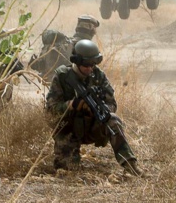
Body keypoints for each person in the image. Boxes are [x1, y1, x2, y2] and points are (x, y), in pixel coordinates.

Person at [45, 39, 140, 175]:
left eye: (93, 64)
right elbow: (50, 110)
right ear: (77, 61)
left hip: (91, 127)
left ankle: (131, 165)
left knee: (113, 119)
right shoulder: (63, 76)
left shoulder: (98, 76)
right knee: (67, 170)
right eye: (86, 65)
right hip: (68, 129)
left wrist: (100, 110)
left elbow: (112, 103)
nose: (90, 68)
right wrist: (72, 105)